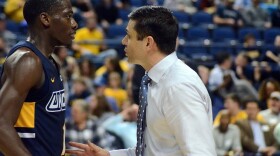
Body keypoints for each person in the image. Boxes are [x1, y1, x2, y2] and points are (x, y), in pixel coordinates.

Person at [66, 6, 216, 156]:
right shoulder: (155, 79)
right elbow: (150, 151)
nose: (124, 41)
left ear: (148, 43)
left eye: (129, 36)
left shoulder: (178, 86)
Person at [0, 0, 78, 155]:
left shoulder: (48, 60)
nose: (74, 24)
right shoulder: (27, 61)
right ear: (45, 19)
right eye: (68, 16)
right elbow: (1, 124)